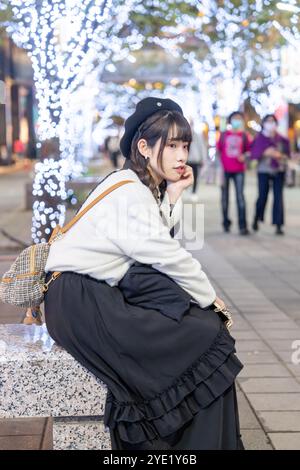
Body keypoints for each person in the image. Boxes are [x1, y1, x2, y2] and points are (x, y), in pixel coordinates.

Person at [43, 97, 244, 450]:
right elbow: (165, 253)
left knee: (202, 334)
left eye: (184, 145)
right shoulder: (130, 192)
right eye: (171, 145)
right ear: (144, 147)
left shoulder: (132, 185)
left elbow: (151, 236)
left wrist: (175, 192)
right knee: (205, 335)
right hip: (81, 303)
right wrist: (209, 297)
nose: (181, 155)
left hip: (85, 296)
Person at [251, 114, 290, 235]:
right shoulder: (259, 138)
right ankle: (257, 217)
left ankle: (278, 224)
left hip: (279, 170)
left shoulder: (282, 139)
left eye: (273, 121)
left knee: (278, 197)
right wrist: (265, 153)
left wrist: (279, 155)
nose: (270, 123)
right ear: (263, 123)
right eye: (268, 121)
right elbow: (254, 154)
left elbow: (287, 154)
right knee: (262, 196)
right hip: (263, 171)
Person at [217, 111, 252, 235]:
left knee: (240, 197)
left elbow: (250, 151)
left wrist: (245, 156)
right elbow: (218, 152)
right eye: (234, 118)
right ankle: (226, 223)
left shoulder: (245, 136)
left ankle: (243, 226)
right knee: (225, 198)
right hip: (225, 170)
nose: (237, 120)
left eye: (239, 118)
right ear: (230, 121)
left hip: (239, 171)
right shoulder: (223, 135)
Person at [186, 120, 207, 202]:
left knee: (195, 177)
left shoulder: (198, 136)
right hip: (186, 160)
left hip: (195, 160)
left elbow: (202, 147)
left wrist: (203, 159)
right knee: (186, 177)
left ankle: (194, 192)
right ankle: (187, 190)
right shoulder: (184, 136)